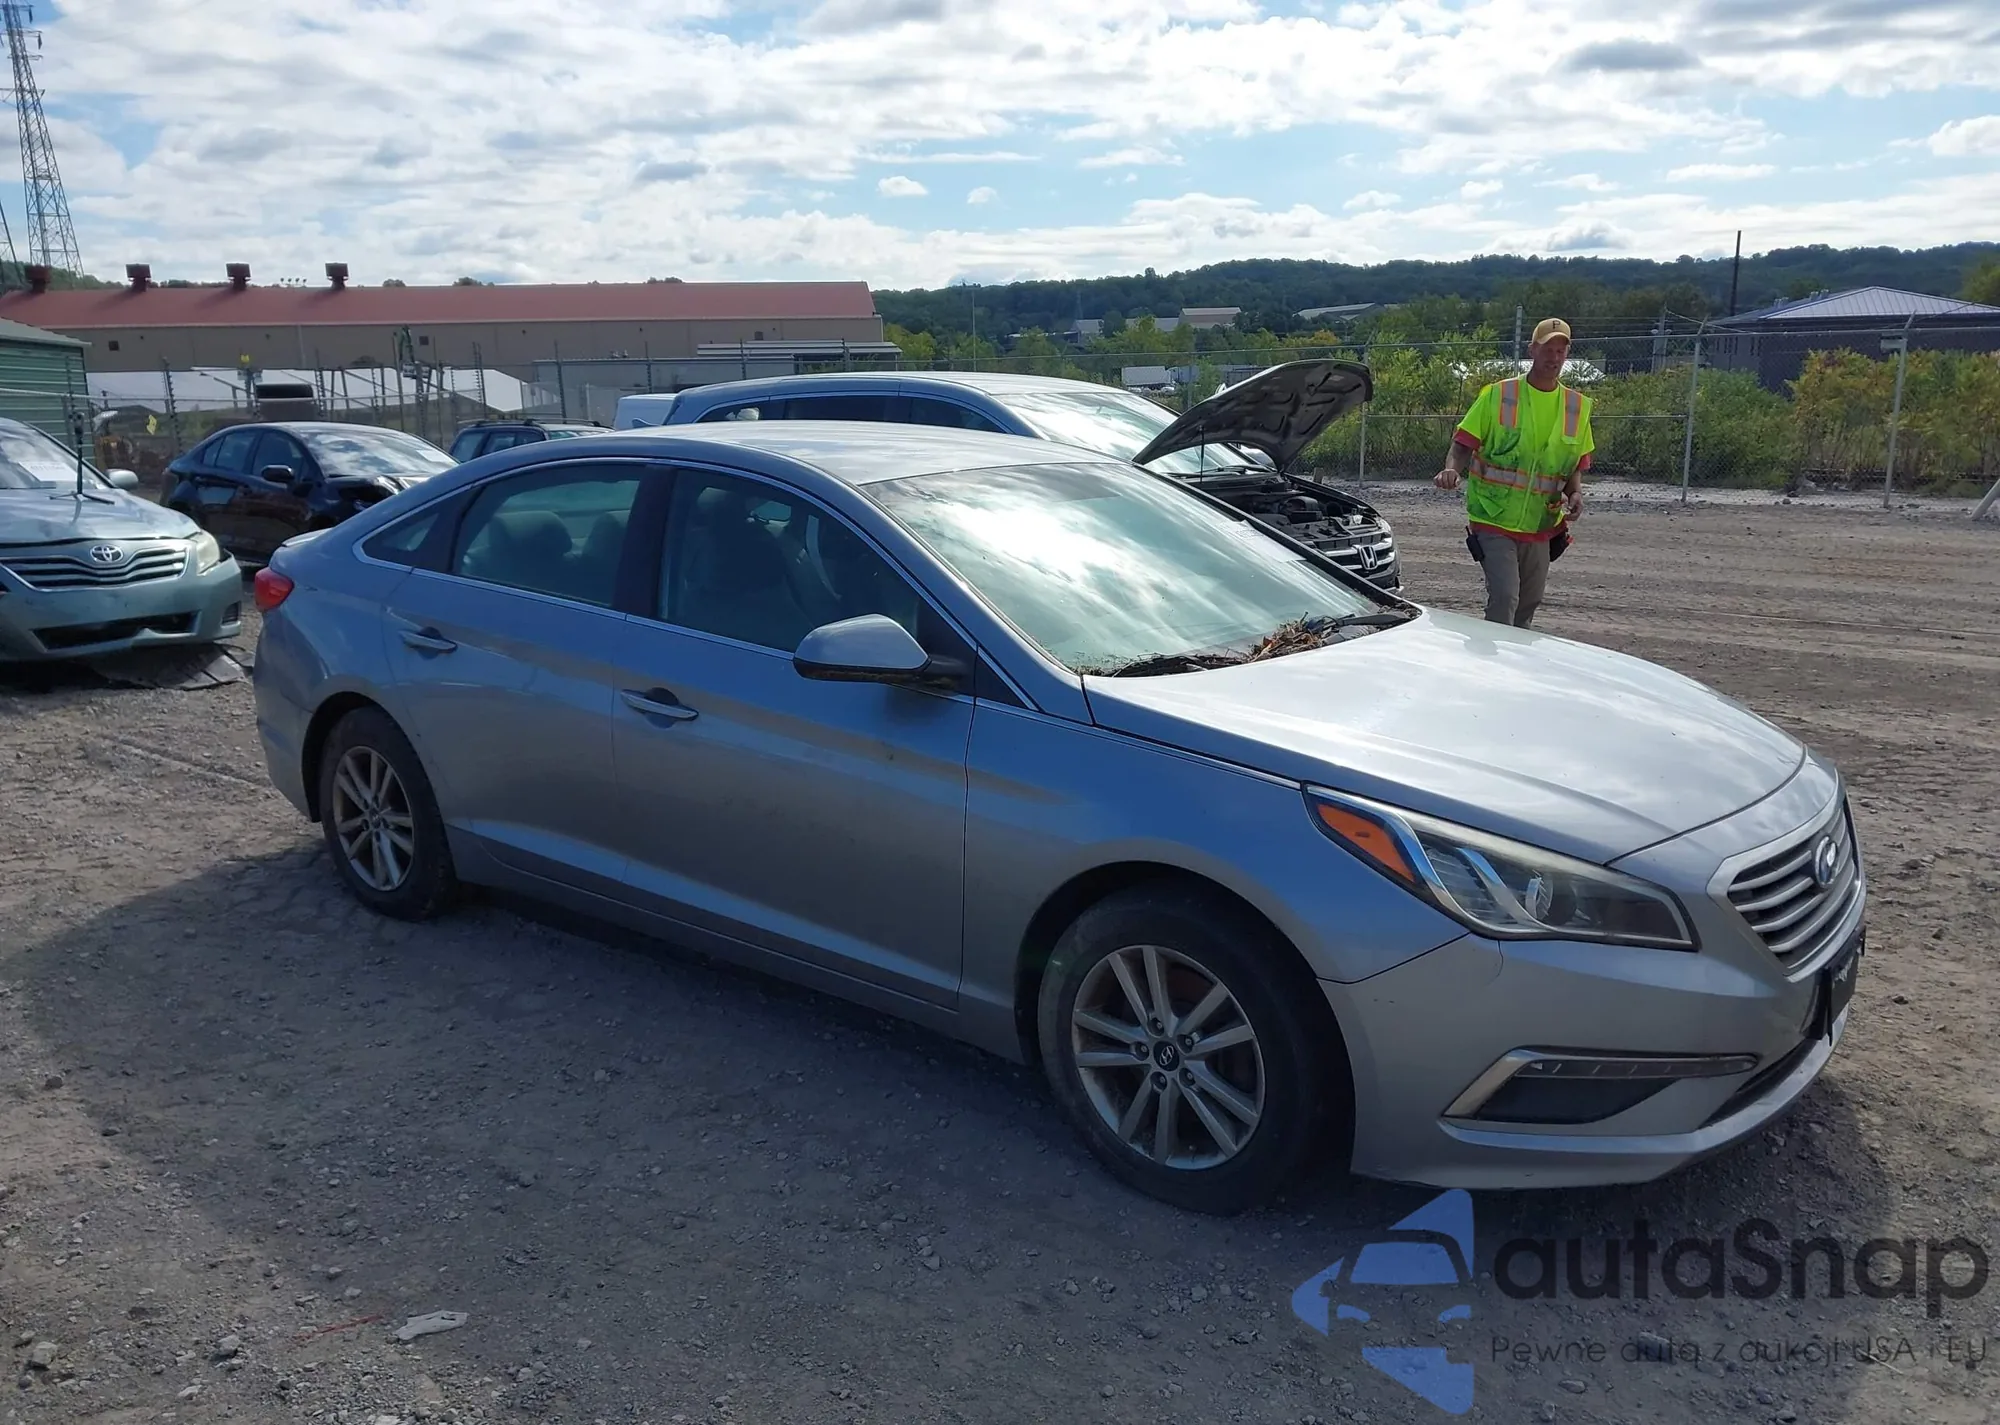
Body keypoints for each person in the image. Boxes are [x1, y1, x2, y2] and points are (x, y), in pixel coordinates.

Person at [1433, 318, 1593, 628]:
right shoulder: (1500, 395)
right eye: (1547, 349)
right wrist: (1451, 470)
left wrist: (1575, 493)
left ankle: (1513, 655)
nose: (1554, 357)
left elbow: (1575, 463)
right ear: (1532, 350)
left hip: (1540, 522)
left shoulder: (1576, 407)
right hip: (1493, 517)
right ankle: (1492, 654)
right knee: (1505, 597)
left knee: (1529, 601)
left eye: (1560, 351)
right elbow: (1463, 444)